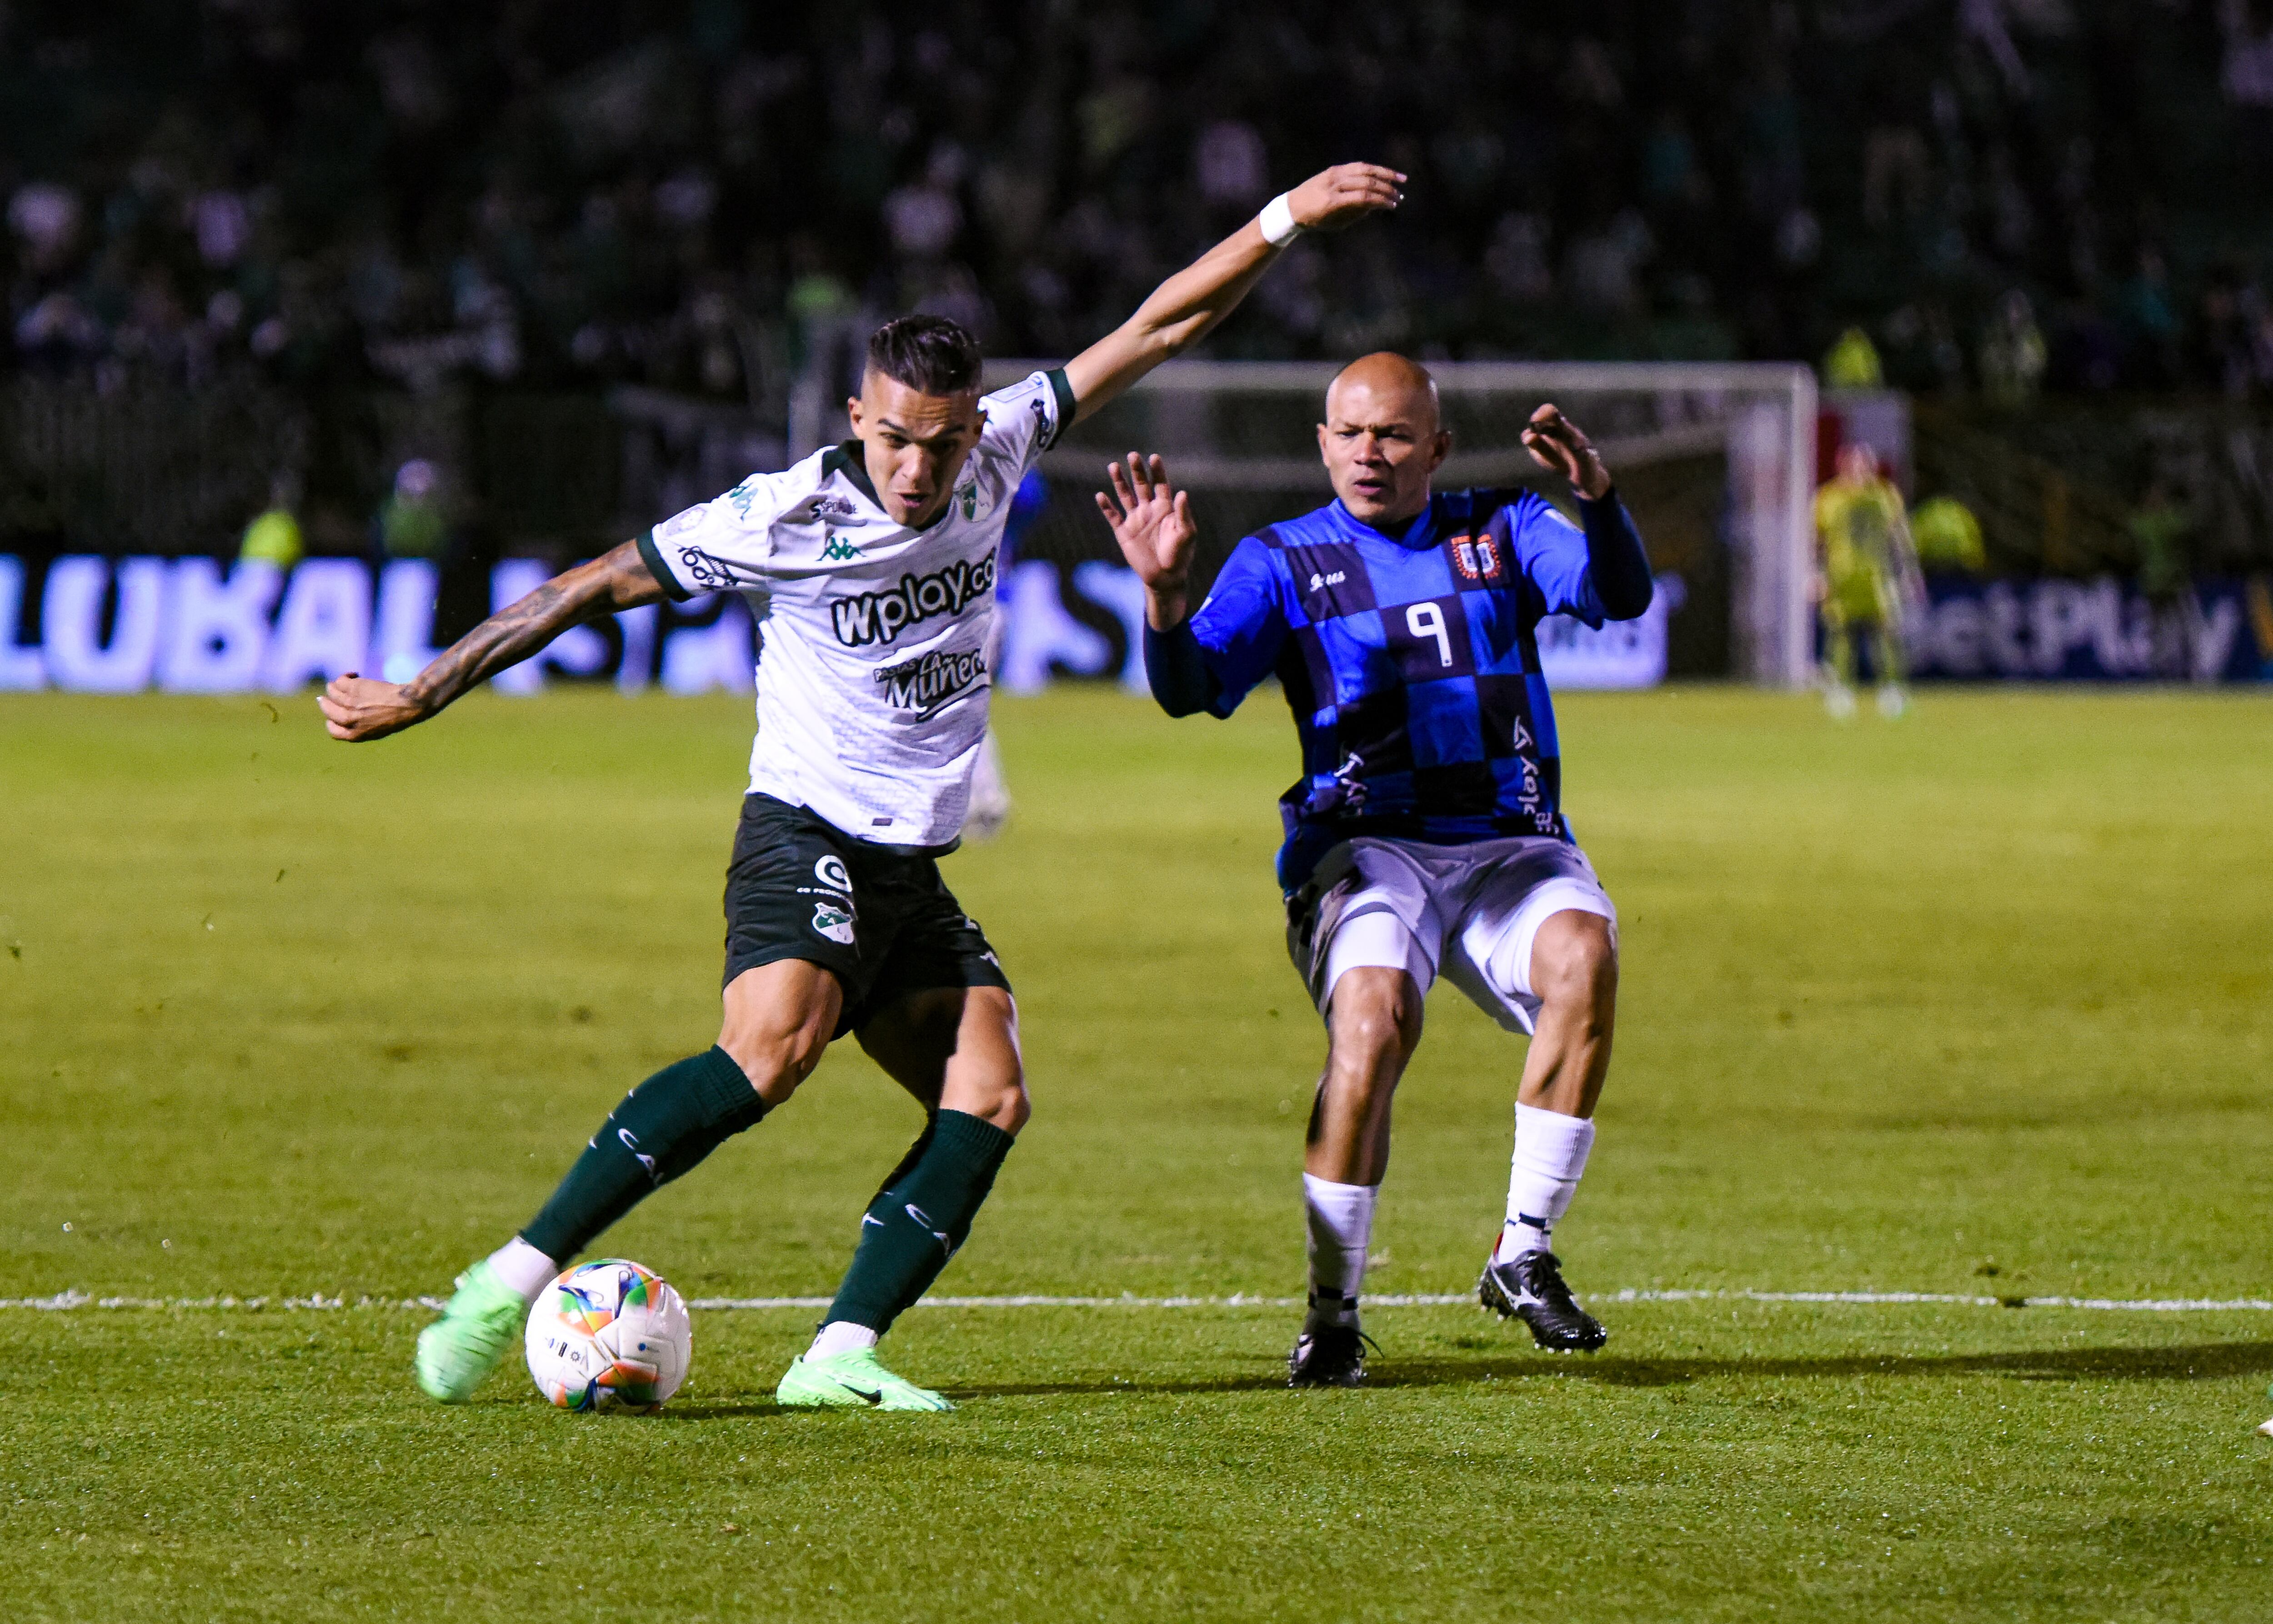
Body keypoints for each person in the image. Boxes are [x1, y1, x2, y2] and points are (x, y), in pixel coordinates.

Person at [318, 163, 1404, 1412]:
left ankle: (838, 1353)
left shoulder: (999, 446)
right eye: (896, 438)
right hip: (807, 827)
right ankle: (509, 1278)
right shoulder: (781, 514)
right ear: (855, 414)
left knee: (990, 1091)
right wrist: (428, 686)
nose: (920, 467)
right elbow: (594, 582)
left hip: (909, 859)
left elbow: (1159, 324)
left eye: (942, 442)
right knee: (771, 1052)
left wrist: (1283, 221)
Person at [1096, 354, 1653, 1386]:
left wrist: (1600, 499)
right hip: (1364, 850)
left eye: (1394, 434)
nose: (1369, 452)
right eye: (1349, 433)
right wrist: (1166, 600)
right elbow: (1192, 692)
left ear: (1435, 448)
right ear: (1321, 443)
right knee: (1373, 1018)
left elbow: (1618, 596)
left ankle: (1521, 1250)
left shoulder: (1504, 527)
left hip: (1509, 845)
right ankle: (1333, 1312)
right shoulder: (1280, 559)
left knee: (1586, 953)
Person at [1813, 442, 1920, 719]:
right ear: (1842, 467)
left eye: (1865, 465)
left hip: (1877, 578)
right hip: (1842, 579)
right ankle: (1840, 692)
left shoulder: (1884, 496)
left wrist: (1909, 573)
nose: (1860, 471)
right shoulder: (1828, 498)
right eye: (1854, 465)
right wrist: (1815, 573)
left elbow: (1899, 537)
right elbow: (1817, 541)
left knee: (1886, 635)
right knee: (1841, 636)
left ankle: (1892, 691)